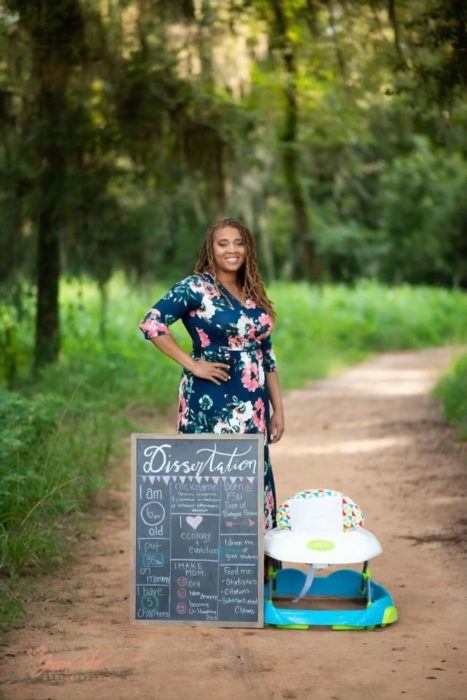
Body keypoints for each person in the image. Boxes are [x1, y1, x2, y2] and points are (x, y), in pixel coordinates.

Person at [139, 217, 284, 529]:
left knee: (250, 476)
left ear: (248, 248)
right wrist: (193, 365)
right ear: (211, 249)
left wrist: (278, 409)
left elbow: (267, 355)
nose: (232, 250)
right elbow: (152, 323)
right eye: (223, 244)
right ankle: (204, 565)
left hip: (254, 405)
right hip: (211, 400)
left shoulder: (252, 290)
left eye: (239, 243)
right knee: (211, 476)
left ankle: (249, 569)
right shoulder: (195, 288)